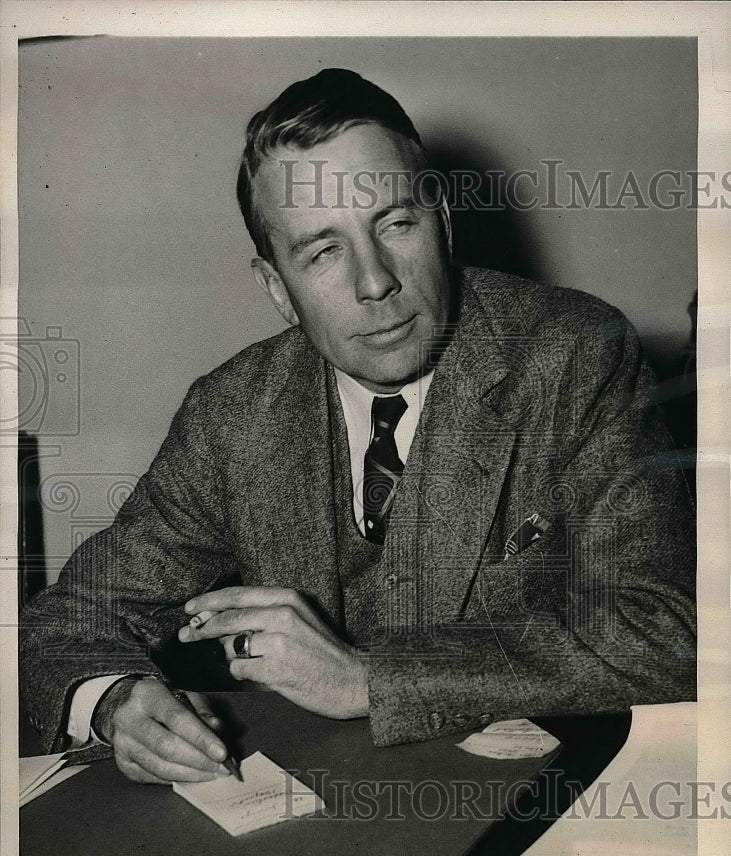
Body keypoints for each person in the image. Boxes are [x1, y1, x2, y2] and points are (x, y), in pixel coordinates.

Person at [20, 68, 696, 785]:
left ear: (442, 220)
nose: (374, 282)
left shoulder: (573, 357)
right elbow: (63, 624)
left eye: (395, 224)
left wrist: (372, 680)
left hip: (544, 802)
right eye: (323, 251)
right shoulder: (232, 417)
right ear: (277, 288)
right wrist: (116, 701)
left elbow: (668, 636)